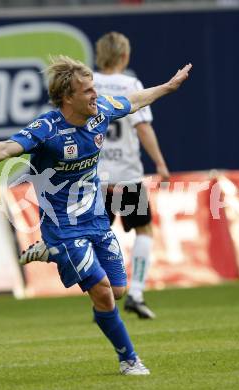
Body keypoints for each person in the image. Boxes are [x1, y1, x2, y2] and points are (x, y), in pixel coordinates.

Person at [0, 55, 192, 375]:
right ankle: (129, 359)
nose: (96, 95)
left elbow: (135, 100)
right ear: (68, 98)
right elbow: (4, 148)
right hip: (62, 226)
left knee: (120, 290)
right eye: (87, 91)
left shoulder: (100, 113)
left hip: (95, 218)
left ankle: (49, 252)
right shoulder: (47, 128)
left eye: (94, 89)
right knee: (103, 294)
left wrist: (168, 86)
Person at [93, 32, 170, 320]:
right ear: (124, 56)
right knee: (144, 231)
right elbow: (143, 127)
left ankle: (100, 294)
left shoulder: (88, 83)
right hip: (126, 176)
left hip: (95, 176)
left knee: (98, 234)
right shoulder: (130, 84)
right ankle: (135, 292)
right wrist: (160, 163)